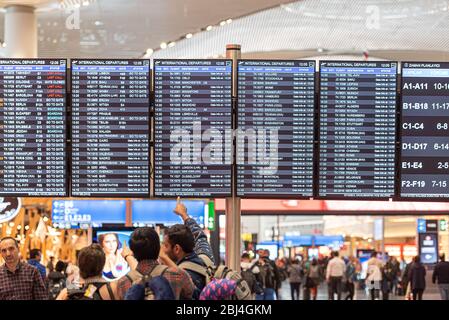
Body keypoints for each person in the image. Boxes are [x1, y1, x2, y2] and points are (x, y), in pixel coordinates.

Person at [117, 227, 195, 300]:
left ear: (133, 252)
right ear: (159, 248)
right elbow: (192, 293)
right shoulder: (178, 275)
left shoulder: (123, 282)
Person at [161, 198, 216, 298]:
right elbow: (199, 236)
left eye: (165, 245)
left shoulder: (177, 279)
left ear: (177, 249)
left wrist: (163, 257)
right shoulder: (206, 258)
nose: (162, 249)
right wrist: (184, 215)